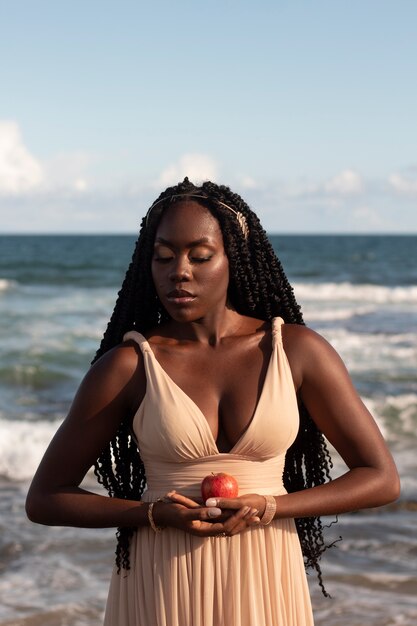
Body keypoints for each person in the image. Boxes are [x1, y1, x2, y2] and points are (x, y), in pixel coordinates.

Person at [26, 178, 400, 626]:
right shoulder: (130, 365)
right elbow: (45, 498)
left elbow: (381, 479)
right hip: (163, 579)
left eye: (199, 256)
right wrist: (151, 513)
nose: (178, 271)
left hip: (265, 574)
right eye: (163, 257)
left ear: (233, 259)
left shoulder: (296, 351)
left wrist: (271, 505)